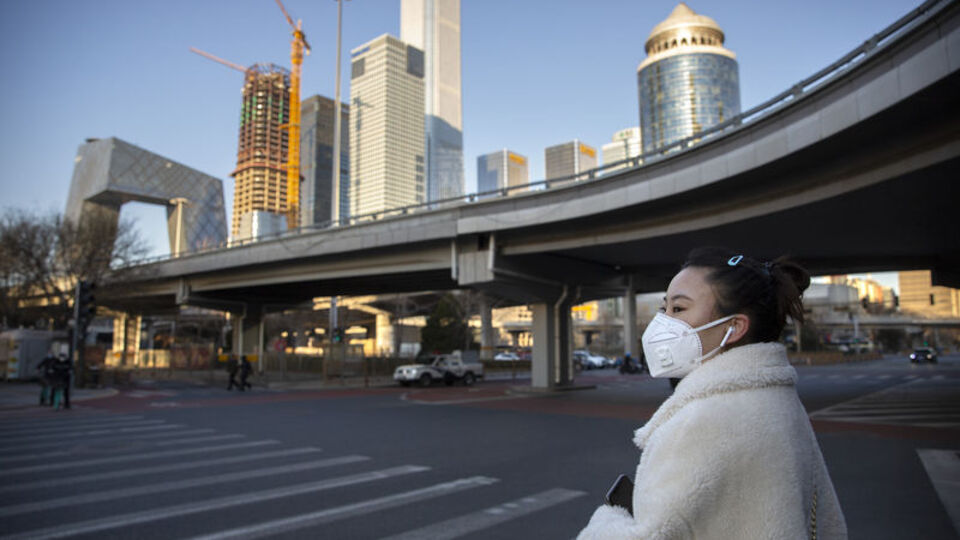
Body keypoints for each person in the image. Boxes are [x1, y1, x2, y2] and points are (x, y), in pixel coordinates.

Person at [578, 247, 847, 539]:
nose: (662, 323)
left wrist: (609, 519)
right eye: (663, 308)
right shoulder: (776, 401)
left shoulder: (706, 421)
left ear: (734, 327)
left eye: (678, 309)